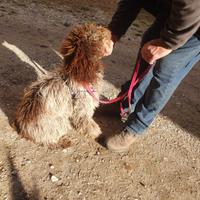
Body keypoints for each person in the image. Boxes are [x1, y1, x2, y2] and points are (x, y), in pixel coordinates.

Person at [104, 0, 200, 152]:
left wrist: (168, 43)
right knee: (148, 45)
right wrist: (113, 33)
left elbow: (192, 6)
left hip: (196, 23)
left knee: (168, 66)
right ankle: (125, 104)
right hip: (177, 11)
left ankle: (136, 126)